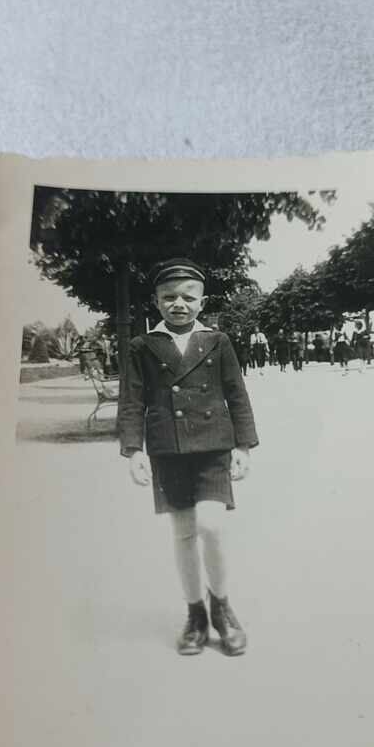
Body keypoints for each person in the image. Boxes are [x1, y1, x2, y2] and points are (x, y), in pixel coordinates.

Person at [118, 259, 258, 657]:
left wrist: (243, 447)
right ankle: (195, 615)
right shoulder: (142, 346)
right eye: (169, 297)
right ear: (156, 302)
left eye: (188, 297)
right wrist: (133, 451)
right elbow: (132, 401)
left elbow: (237, 394)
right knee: (182, 534)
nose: (178, 303)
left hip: (214, 447)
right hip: (169, 449)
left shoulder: (218, 340)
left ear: (202, 302)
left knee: (212, 527)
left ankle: (223, 608)